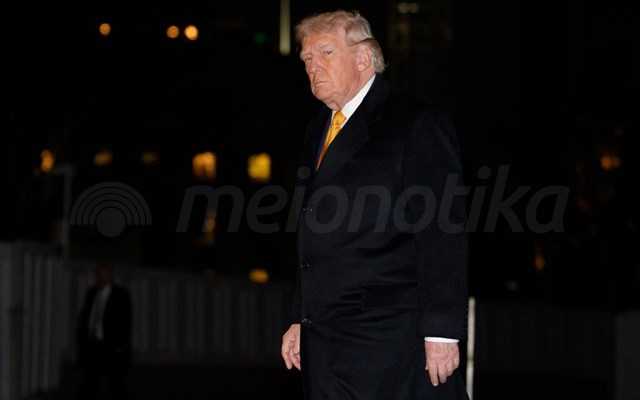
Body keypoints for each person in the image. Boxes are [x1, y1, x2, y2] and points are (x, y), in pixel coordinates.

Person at [281, 10, 469, 400]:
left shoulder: (414, 123)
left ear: (364, 58)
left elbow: (441, 232)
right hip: (326, 338)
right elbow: (312, 232)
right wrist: (300, 317)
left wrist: (441, 331)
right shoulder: (318, 129)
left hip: (390, 340)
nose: (312, 65)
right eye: (307, 58)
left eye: (326, 52)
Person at [76, 262, 132, 400]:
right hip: (93, 343)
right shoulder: (92, 292)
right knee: (90, 380)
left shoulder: (120, 294)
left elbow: (126, 319)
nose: (100, 277)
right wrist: (83, 337)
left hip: (111, 344)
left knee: (116, 382)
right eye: (98, 274)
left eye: (104, 274)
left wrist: (121, 344)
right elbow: (86, 315)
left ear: (110, 276)